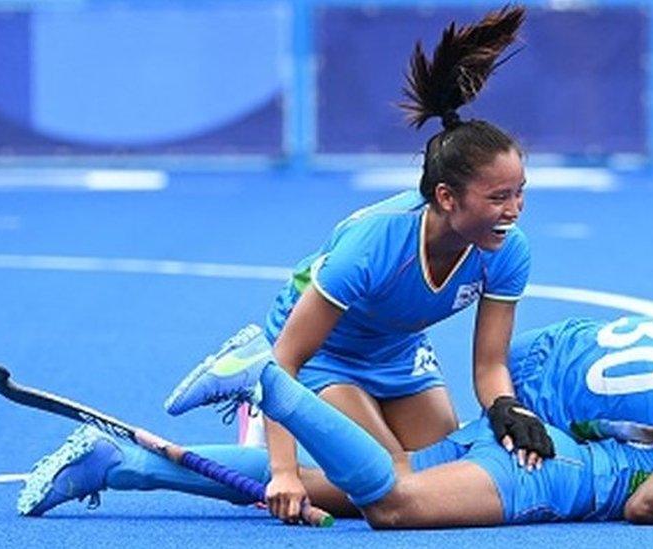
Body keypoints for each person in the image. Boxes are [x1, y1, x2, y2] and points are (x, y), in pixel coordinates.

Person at [17, 316, 653, 524]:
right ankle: (271, 380)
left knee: (337, 480)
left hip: (517, 398)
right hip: (559, 461)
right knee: (393, 505)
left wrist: (514, 406)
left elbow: (563, 341)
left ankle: (118, 462)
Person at [218, 5, 552, 523]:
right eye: (498, 198)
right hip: (323, 355)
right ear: (446, 197)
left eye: (520, 194)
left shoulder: (507, 250)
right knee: (395, 481)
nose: (513, 212)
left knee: (450, 471)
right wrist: (282, 473)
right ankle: (223, 457)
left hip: (397, 355)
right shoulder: (375, 245)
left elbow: (489, 366)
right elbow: (285, 361)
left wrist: (506, 408)